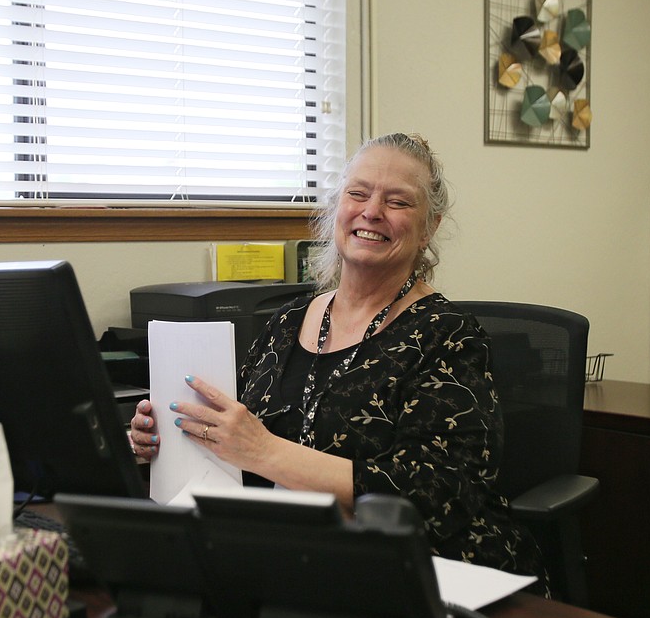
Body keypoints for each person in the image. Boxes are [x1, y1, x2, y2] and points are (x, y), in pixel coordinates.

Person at [130, 132, 547, 584]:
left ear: (430, 227)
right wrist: (171, 440)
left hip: (427, 572)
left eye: (398, 202)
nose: (372, 212)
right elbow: (235, 440)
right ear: (337, 209)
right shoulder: (285, 323)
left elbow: (435, 495)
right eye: (358, 193)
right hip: (294, 556)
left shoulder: (450, 336)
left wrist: (265, 451)